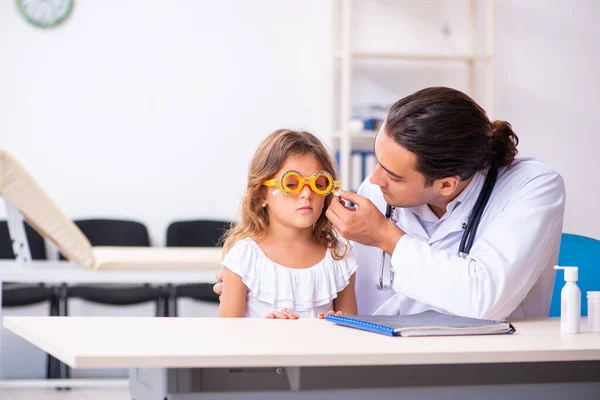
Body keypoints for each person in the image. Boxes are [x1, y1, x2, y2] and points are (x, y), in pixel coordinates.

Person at [325, 87, 566, 320]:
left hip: (483, 355)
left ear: (446, 185)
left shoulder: (532, 187)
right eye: (379, 161)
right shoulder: (377, 190)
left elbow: (485, 301)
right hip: (381, 351)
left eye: (394, 176)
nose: (375, 179)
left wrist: (386, 237)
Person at [218, 129, 358, 319]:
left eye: (318, 183)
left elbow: (353, 333)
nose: (307, 194)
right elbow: (228, 336)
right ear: (262, 195)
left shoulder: (339, 256)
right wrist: (264, 329)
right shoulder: (245, 257)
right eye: (292, 184)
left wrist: (339, 323)